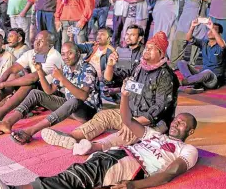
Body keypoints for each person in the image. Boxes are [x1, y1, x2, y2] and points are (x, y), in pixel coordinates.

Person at [0, 109, 198, 189]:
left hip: (133, 166)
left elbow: (169, 174)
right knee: (78, 180)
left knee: (79, 175)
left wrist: (135, 186)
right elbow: (129, 121)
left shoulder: (188, 150)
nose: (176, 123)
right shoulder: (155, 135)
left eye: (182, 123)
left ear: (190, 131)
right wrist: (124, 96)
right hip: (118, 153)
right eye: (176, 120)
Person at [41, 31, 180, 153]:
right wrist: (110, 65)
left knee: (127, 132)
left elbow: (159, 109)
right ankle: (71, 137)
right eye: (147, 47)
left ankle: (93, 147)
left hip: (149, 122)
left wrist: (132, 122)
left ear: (161, 53)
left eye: (151, 49)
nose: (146, 51)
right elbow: (112, 80)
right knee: (104, 116)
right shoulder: (140, 67)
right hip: (130, 115)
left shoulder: (166, 76)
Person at [0, 42, 100, 145]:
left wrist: (63, 79)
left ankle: (30, 131)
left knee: (74, 100)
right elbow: (49, 90)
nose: (66, 57)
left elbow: (83, 96)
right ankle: (7, 122)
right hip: (70, 108)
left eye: (70, 53)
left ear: (78, 53)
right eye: (63, 54)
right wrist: (39, 70)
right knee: (35, 93)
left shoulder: (88, 69)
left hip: (87, 112)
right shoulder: (65, 68)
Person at [0, 31, 62, 123]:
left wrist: (2, 84)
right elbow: (12, 69)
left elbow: (33, 78)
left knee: (30, 83)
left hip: (51, 93)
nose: (36, 43)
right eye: (36, 39)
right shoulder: (32, 53)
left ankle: (0, 114)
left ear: (50, 45)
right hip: (35, 90)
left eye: (41, 41)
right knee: (14, 75)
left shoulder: (54, 57)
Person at [170, 0, 210, 69]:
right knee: (178, 41)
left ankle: (192, 68)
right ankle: (173, 66)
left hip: (201, 14)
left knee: (196, 44)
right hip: (186, 14)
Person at [178, 19, 226, 94]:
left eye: (213, 30)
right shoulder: (204, 43)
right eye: (209, 29)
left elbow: (223, 45)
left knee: (207, 72)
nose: (210, 31)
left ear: (219, 34)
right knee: (181, 63)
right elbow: (189, 39)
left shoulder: (221, 45)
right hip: (200, 75)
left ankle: (181, 83)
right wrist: (192, 27)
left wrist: (212, 27)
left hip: (213, 79)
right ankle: (194, 83)